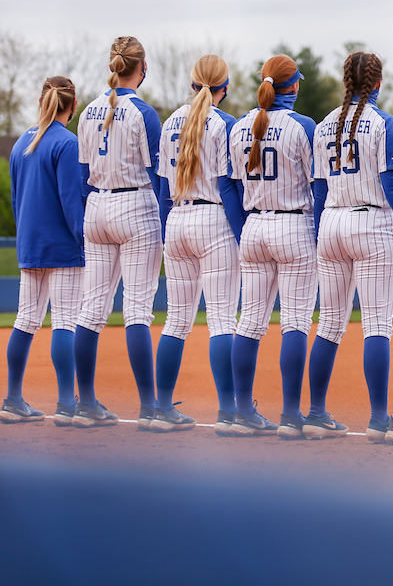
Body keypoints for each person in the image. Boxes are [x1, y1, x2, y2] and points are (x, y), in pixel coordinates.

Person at [304, 51, 393, 441]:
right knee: (377, 325)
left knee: (329, 324)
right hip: (370, 223)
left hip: (332, 222)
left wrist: (318, 235)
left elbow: (319, 192)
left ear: (345, 81)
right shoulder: (384, 122)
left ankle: (315, 413)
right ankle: (379, 419)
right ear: (378, 82)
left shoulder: (323, 125)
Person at [73, 37, 165, 428]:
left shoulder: (87, 111)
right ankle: (148, 407)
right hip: (134, 205)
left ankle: (85, 404)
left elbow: (82, 178)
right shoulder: (144, 113)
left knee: (91, 309)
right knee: (137, 310)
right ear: (141, 68)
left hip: (96, 207)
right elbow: (159, 177)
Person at [154, 54, 246, 434]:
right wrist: (243, 234)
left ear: (192, 84)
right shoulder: (226, 124)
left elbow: (162, 189)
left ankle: (161, 408)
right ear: (225, 86)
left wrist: (168, 234)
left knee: (176, 321)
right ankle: (228, 412)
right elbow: (228, 187)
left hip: (177, 218)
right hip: (214, 220)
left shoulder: (170, 122)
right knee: (222, 319)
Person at [228, 54, 318, 439]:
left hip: (253, 226)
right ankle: (290, 415)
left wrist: (243, 230)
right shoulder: (303, 126)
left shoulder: (239, 126)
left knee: (249, 321)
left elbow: (230, 187)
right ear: (293, 85)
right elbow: (318, 184)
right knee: (294, 322)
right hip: (293, 224)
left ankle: (241, 412)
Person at [2, 78, 85, 425]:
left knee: (25, 320)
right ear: (73, 105)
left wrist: (26, 240)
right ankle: (66, 402)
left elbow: (16, 199)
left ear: (41, 101)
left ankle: (12, 399)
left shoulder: (21, 142)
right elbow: (71, 201)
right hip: (62, 247)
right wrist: (84, 241)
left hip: (31, 245)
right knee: (64, 321)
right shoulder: (68, 143)